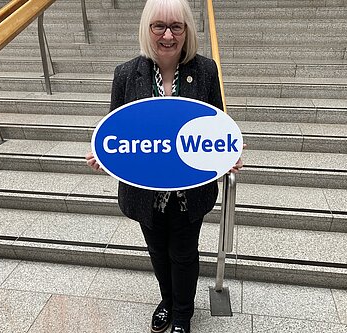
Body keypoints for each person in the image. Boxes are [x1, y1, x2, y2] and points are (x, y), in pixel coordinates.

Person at [86, 0, 243, 332]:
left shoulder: (205, 71)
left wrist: (226, 155)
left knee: (183, 253)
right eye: (159, 26)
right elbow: (118, 129)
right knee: (157, 251)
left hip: (189, 190)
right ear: (147, 29)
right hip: (144, 191)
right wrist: (106, 155)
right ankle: (167, 301)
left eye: (177, 27)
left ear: (187, 31)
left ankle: (183, 314)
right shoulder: (126, 75)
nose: (168, 35)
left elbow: (215, 125)